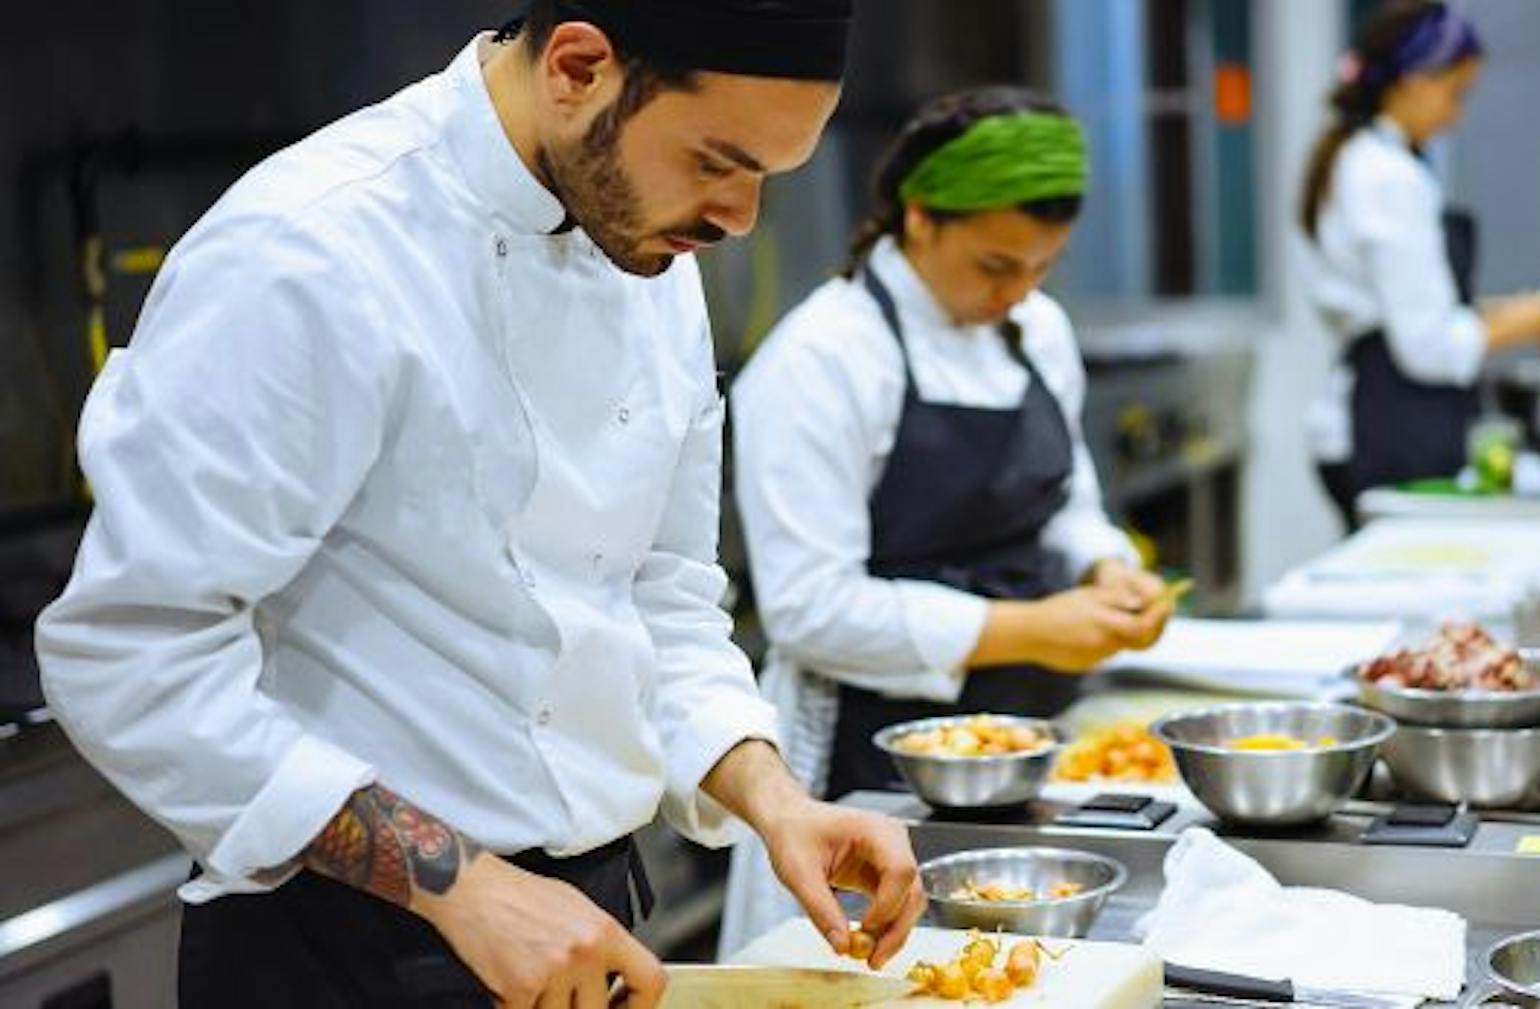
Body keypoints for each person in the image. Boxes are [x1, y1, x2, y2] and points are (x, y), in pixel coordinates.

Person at [33, 3, 926, 1006]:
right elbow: (129, 650)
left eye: (767, 173)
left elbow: (660, 595)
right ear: (579, 68)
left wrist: (771, 796)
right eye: (719, 160)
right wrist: (468, 887)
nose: (740, 218)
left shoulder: (644, 234)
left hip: (587, 927)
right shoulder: (311, 250)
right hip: (345, 945)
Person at [719, 86, 1172, 954]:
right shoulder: (823, 360)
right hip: (865, 765)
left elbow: (1066, 501)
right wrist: (1028, 627)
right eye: (998, 265)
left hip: (1030, 741)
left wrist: (1105, 567)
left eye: (1043, 266)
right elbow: (809, 611)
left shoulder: (1035, 331)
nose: (1020, 291)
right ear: (919, 218)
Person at [1301, 0, 1540, 528]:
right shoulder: (1388, 177)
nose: (1458, 113)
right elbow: (1426, 346)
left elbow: (1408, 305)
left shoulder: (1359, 159)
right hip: (1389, 428)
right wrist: (1525, 321)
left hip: (1376, 419)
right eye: (1456, 93)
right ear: (1412, 80)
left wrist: (1508, 312)